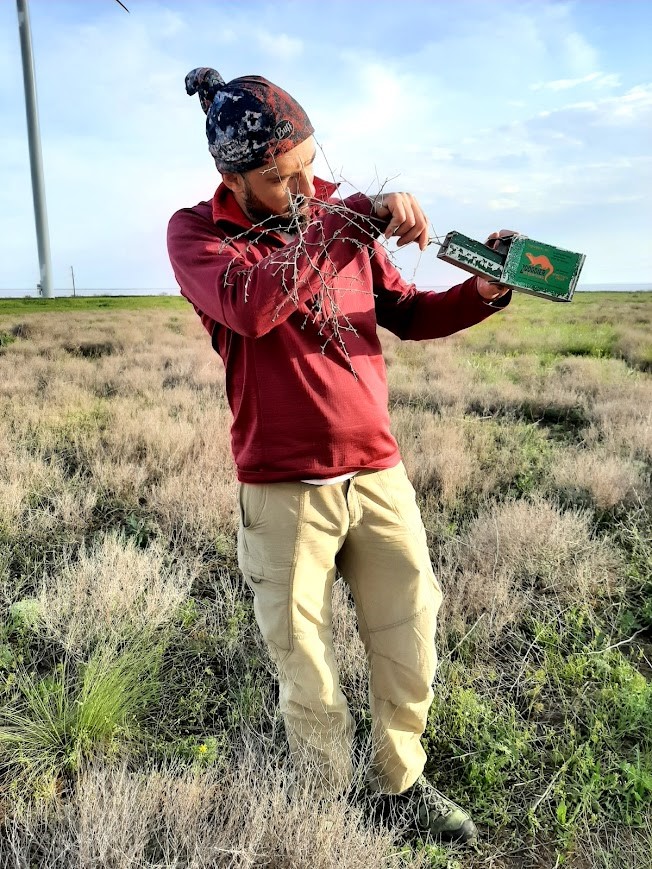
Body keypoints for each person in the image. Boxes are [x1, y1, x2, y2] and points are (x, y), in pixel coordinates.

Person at [167, 67, 512, 845]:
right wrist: (353, 215)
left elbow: (410, 315)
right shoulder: (197, 233)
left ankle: (399, 780)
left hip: (376, 473)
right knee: (306, 659)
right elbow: (256, 305)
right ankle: (322, 805)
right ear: (231, 174)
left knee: (411, 628)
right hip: (283, 487)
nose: (301, 186)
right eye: (278, 176)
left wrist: (483, 290)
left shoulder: (327, 210)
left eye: (310, 166)